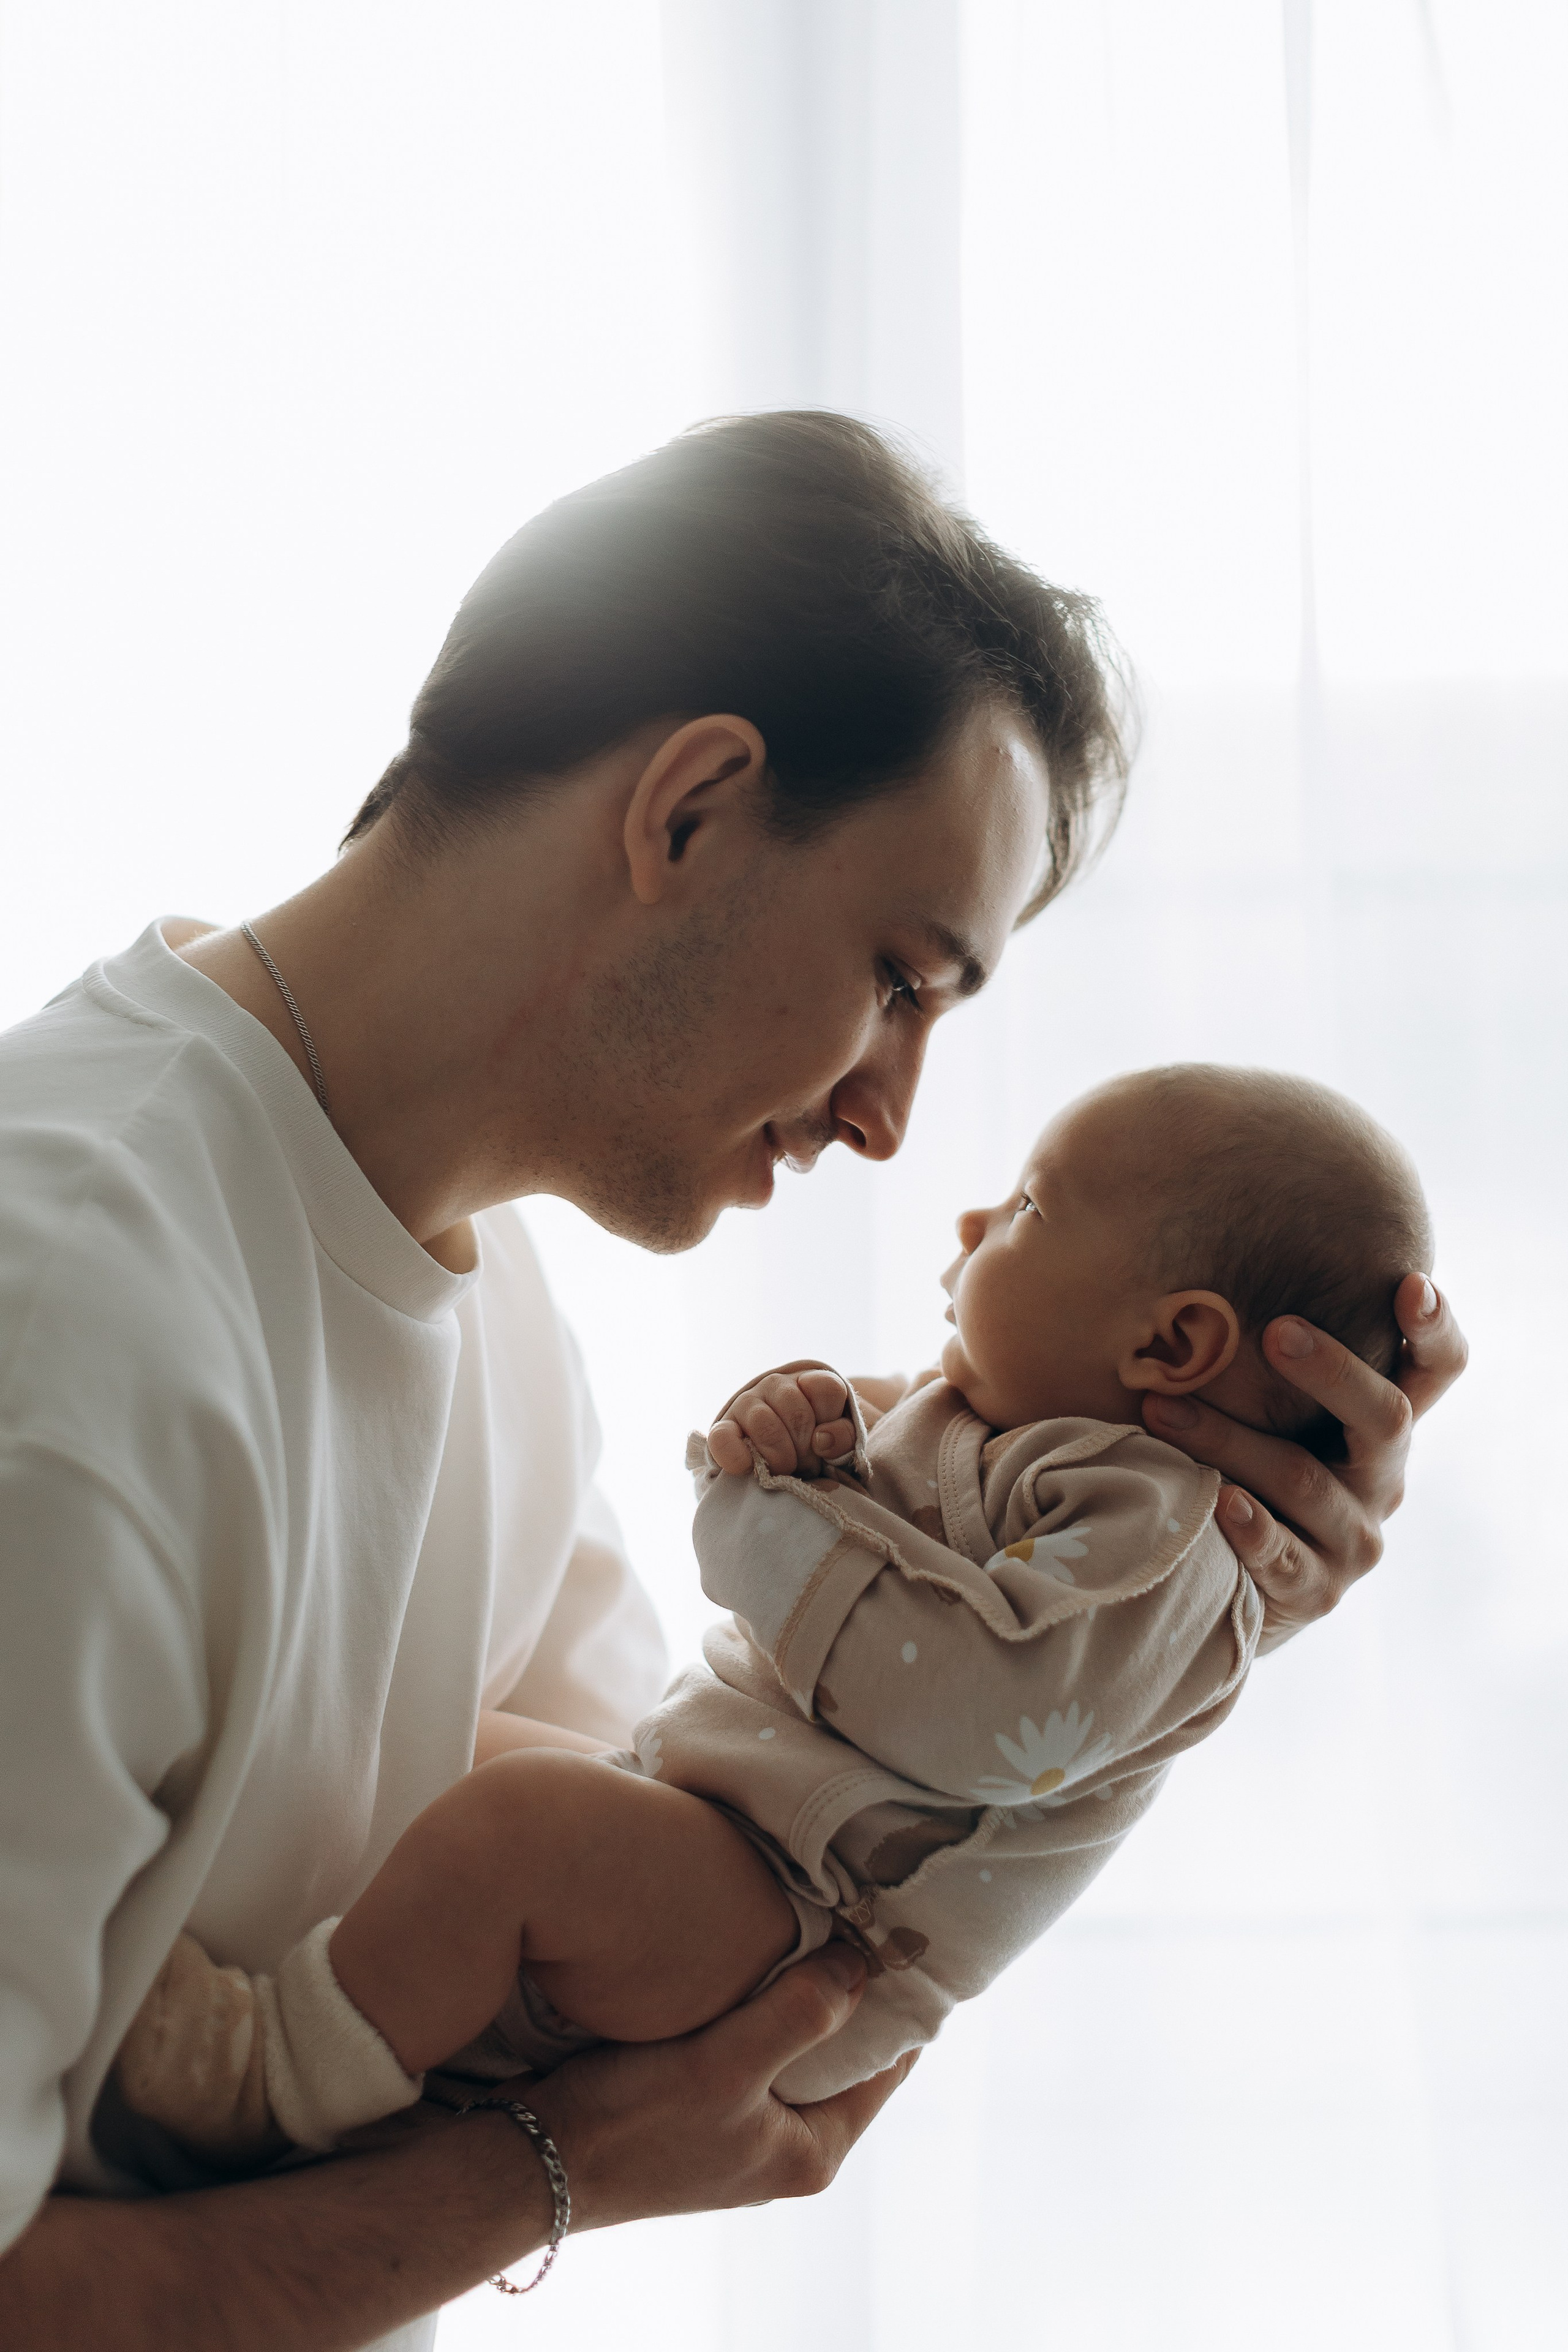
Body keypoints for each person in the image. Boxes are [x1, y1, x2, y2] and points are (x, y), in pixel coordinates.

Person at [0, 416, 1468, 2351]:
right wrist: (546, 2185)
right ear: (688, 809)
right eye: (902, 977)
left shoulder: (469, 1275)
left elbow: (747, 1909)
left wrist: (1196, 1579)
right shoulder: (70, 1333)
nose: (887, 1119)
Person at [105, 1062, 1434, 2160]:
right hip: (733, 1836)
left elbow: (976, 1714)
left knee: (516, 1826)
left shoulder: (1160, 1533)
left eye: (1028, 1204)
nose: (972, 1223)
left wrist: (759, 1503)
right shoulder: (977, 1422)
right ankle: (383, 2027)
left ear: (1169, 1347)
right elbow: (853, 1469)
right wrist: (795, 1421)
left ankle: (269, 2083)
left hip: (816, 1937)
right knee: (456, 1756)